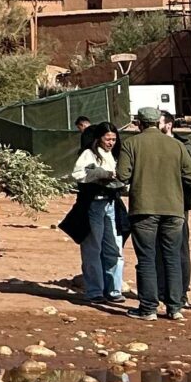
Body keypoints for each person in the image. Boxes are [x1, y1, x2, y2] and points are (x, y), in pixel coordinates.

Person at [117, 106, 191, 322]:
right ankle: (175, 307)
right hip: (174, 210)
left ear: (139, 123)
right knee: (172, 257)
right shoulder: (176, 145)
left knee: (146, 258)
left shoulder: (131, 143)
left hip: (144, 209)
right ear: (159, 123)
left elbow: (122, 175)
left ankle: (148, 308)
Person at [71, 123, 125, 307]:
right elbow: (79, 174)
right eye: (107, 139)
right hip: (94, 204)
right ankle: (94, 291)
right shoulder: (89, 154)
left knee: (114, 247)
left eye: (113, 139)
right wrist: (101, 174)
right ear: (99, 138)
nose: (111, 143)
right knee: (93, 248)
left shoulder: (116, 155)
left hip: (112, 203)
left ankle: (114, 289)